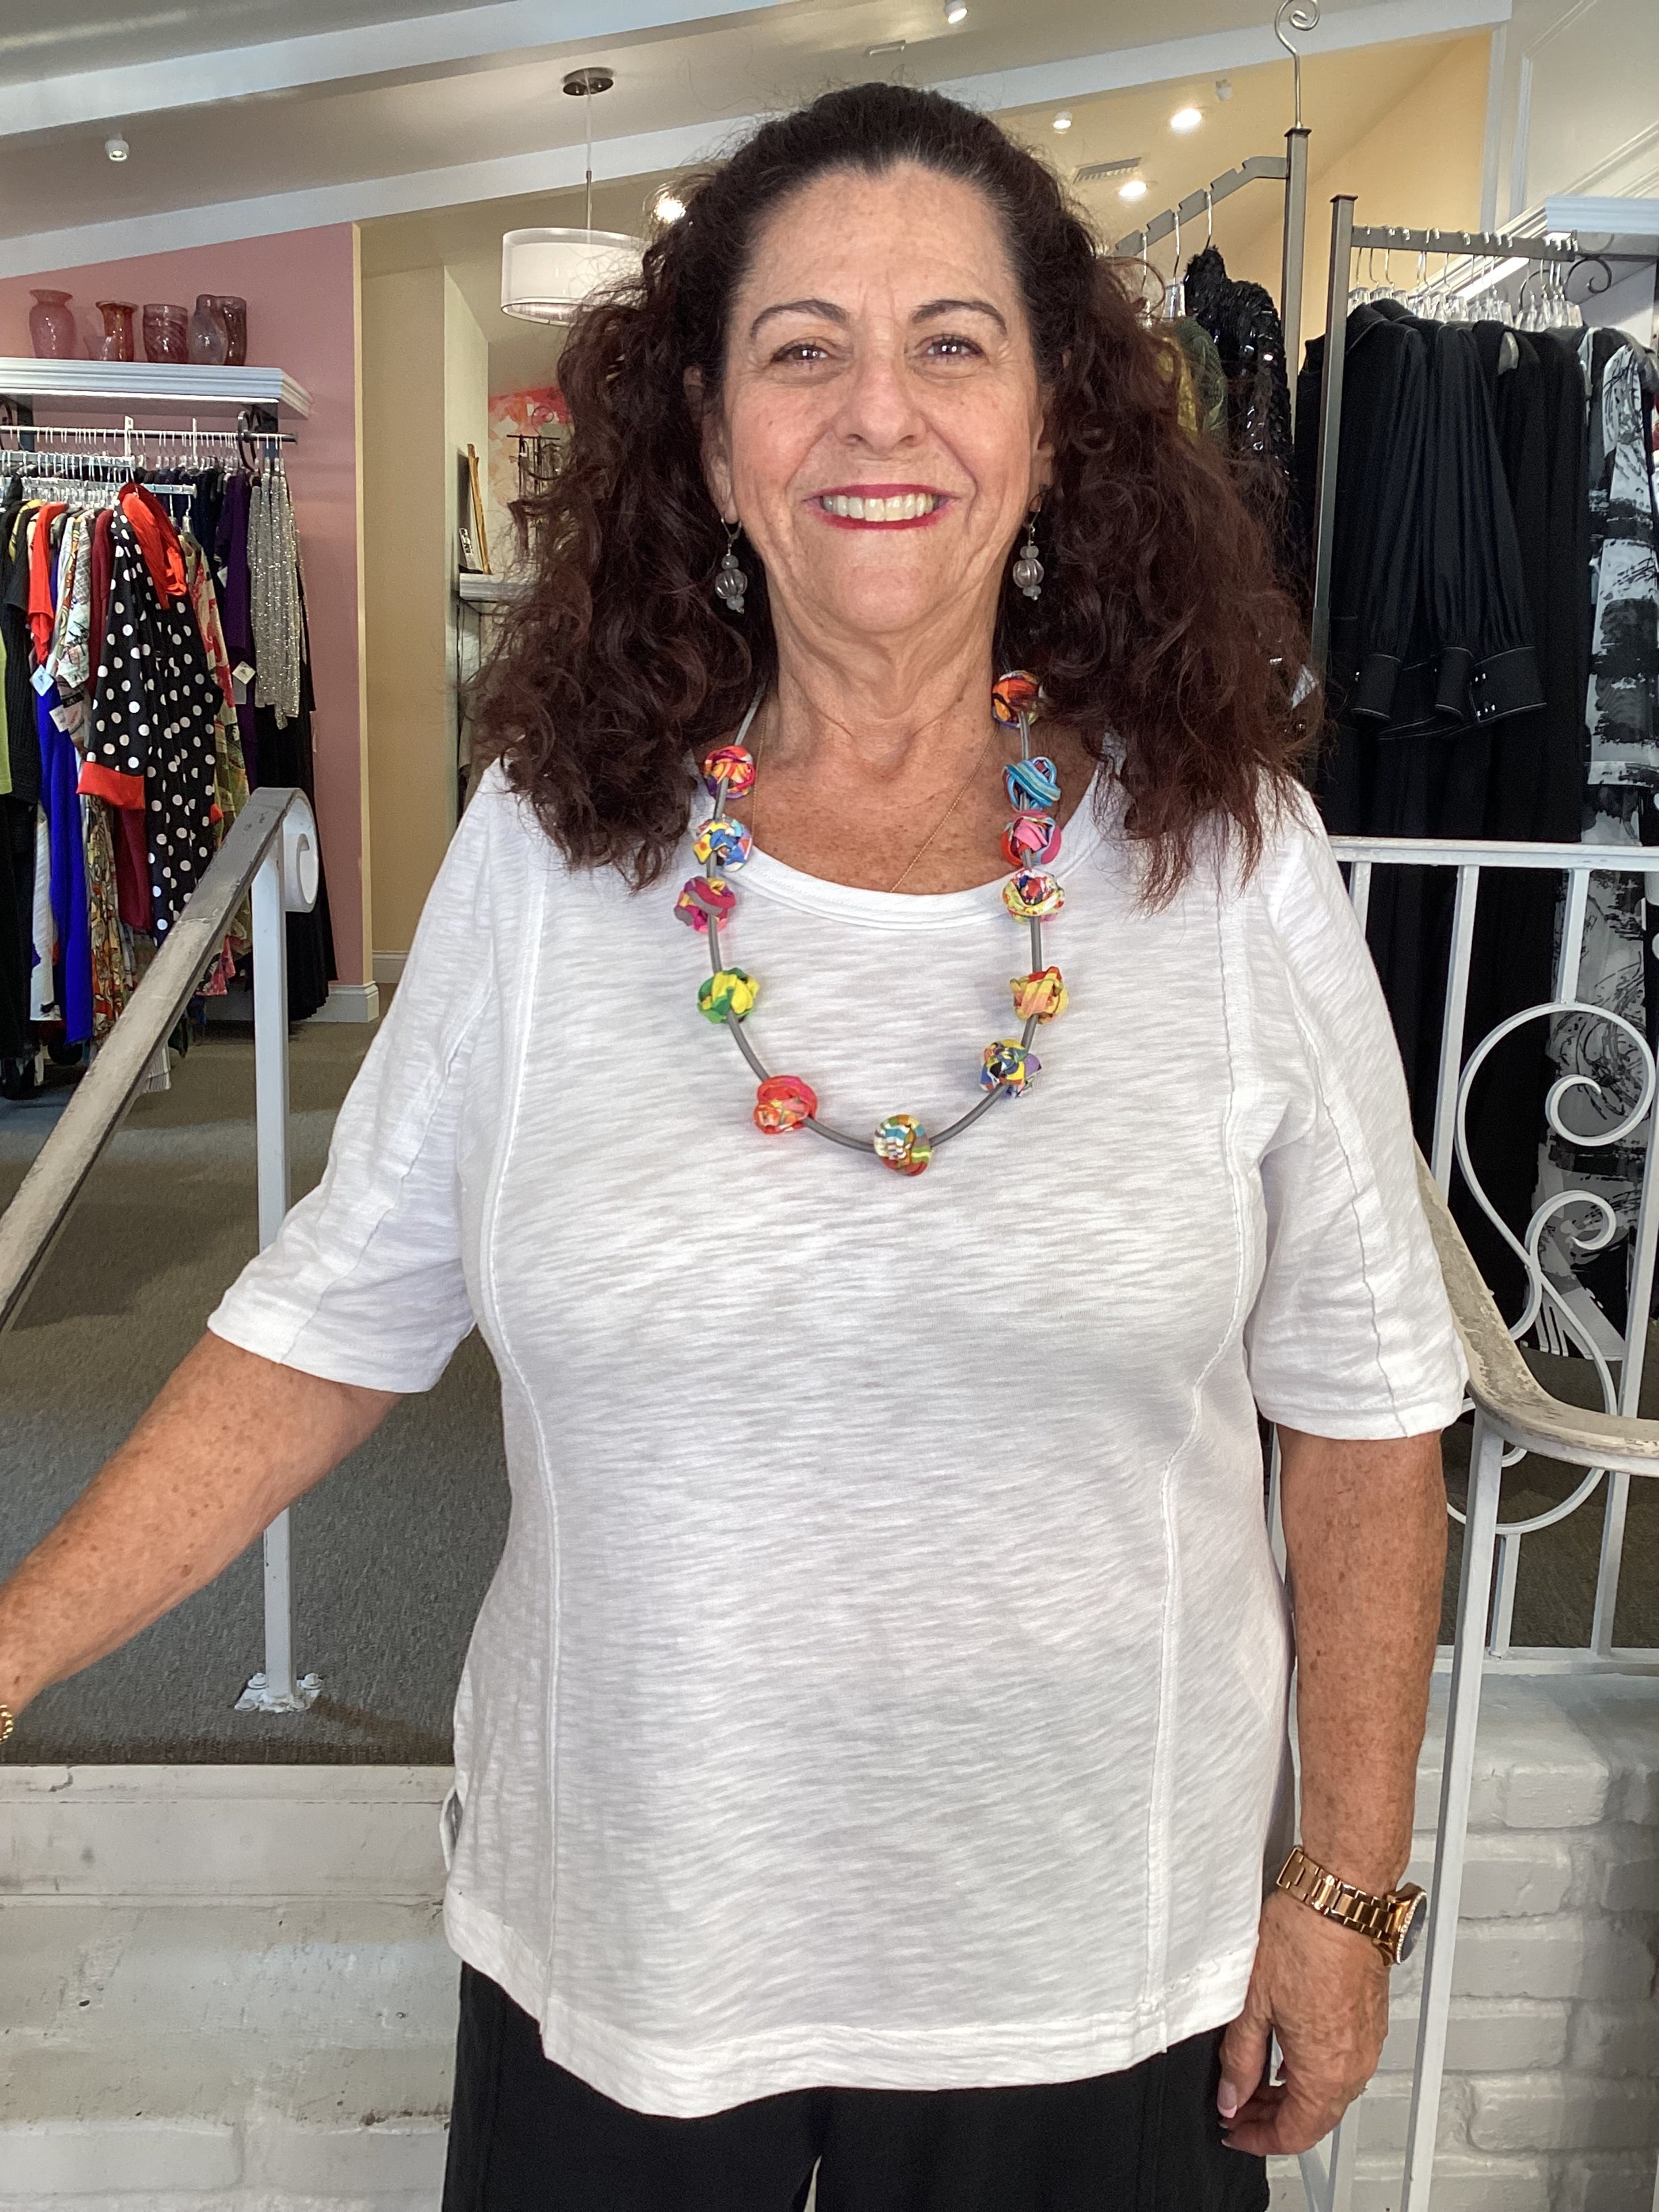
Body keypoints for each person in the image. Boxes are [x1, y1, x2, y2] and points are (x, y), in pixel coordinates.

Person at [0, 82, 1464, 2211]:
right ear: (706, 441)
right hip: (629, 1941)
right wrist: (18, 1638)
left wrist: (1346, 1889)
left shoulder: (1228, 872)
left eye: (953, 342)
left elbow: (1366, 1402)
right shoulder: (548, 858)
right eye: (803, 349)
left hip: (1086, 1962)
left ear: (1056, 426)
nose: (881, 411)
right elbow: (337, 1311)